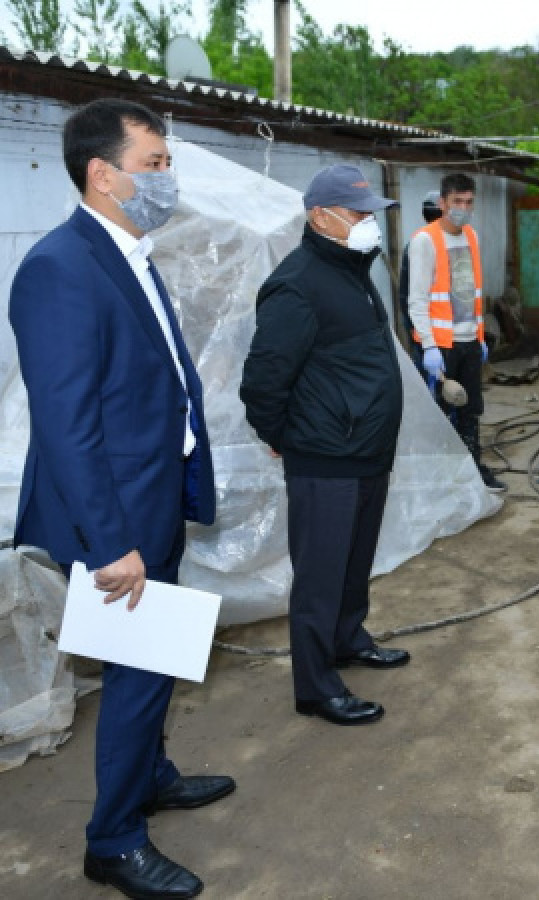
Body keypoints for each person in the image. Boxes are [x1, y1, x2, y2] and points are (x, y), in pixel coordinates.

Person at [8, 98, 233, 900]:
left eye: (167, 164)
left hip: (154, 494)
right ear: (103, 176)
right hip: (113, 516)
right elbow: (67, 428)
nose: (167, 179)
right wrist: (109, 543)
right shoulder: (60, 269)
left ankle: (151, 773)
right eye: (155, 166)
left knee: (155, 663)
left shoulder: (129, 252)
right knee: (137, 672)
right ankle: (113, 840)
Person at [240, 164, 409, 727]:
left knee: (353, 563)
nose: (370, 224)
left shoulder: (354, 269)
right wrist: (282, 437)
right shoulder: (298, 283)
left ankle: (347, 639)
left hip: (366, 449)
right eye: (359, 214)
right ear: (322, 217)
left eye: (370, 214)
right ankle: (315, 686)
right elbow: (264, 378)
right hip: (325, 456)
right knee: (320, 573)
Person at [407, 172, 507, 492]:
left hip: (468, 342)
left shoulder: (472, 237)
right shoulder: (425, 241)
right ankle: (438, 477)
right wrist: (429, 347)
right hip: (441, 345)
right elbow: (417, 300)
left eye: (468, 202)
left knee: (470, 409)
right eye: (457, 202)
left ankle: (472, 470)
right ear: (442, 203)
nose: (463, 208)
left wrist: (479, 338)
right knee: (439, 412)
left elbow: (472, 291)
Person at [396, 190, 443, 366]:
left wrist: (410, 325)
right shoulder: (437, 245)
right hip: (434, 334)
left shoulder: (414, 243)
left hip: (422, 330)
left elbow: (404, 292)